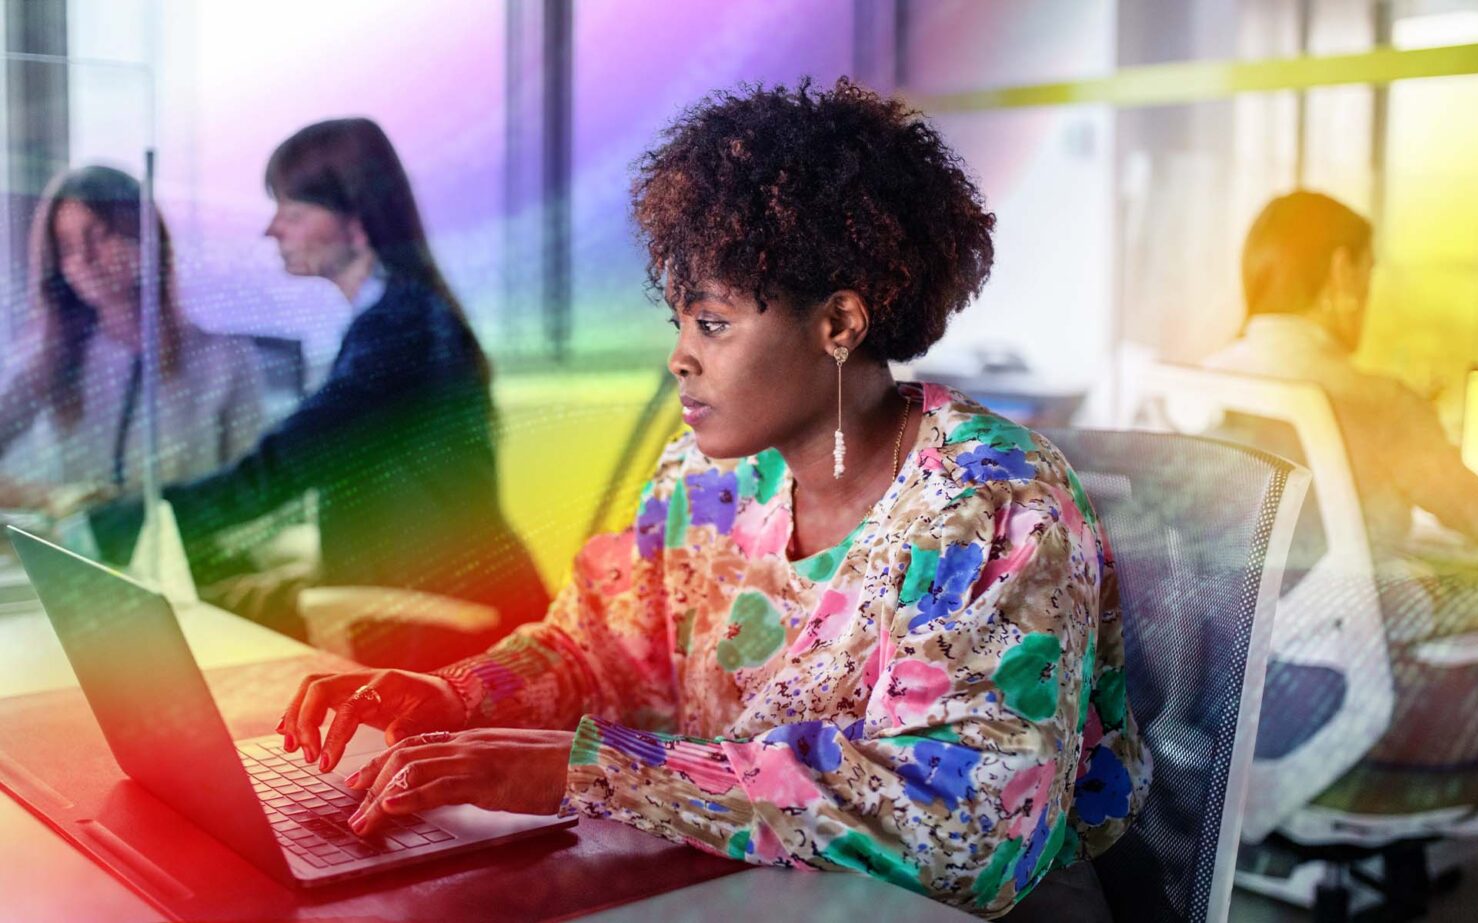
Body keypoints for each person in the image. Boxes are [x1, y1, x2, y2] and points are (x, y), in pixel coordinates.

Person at [276, 82, 1150, 920]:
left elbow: (957, 830)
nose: (680, 358)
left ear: (839, 324)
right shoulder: (707, 480)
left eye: (715, 323)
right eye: (680, 324)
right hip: (754, 887)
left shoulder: (991, 503)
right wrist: (458, 697)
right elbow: (598, 656)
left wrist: (588, 770)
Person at [89, 119, 549, 662]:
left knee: (171, 628)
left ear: (356, 224)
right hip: (409, 595)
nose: (273, 231)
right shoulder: (403, 315)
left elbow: (281, 469)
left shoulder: (399, 329)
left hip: (431, 627)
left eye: (293, 212)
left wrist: (116, 528)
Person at [1205, 190, 1478, 817]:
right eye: (1368, 270)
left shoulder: (1200, 383)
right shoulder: (1375, 400)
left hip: (1220, 684)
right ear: (1340, 271)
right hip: (1345, 680)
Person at [0, 166, 263, 514]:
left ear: (144, 236)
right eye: (66, 247)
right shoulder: (42, 362)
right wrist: (49, 499)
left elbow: (256, 489)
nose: (83, 259)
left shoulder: (224, 360)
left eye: (99, 236)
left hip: (188, 557)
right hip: (77, 557)